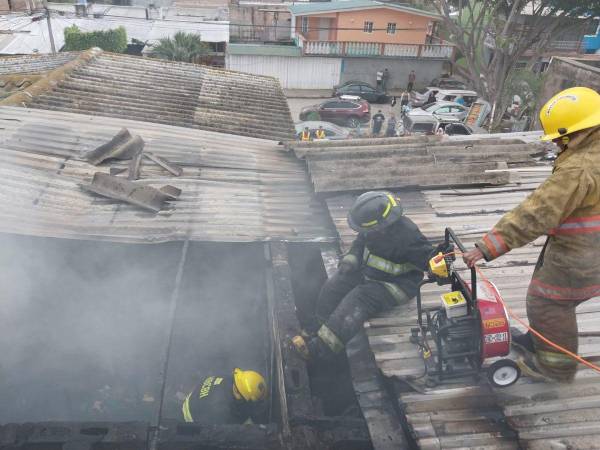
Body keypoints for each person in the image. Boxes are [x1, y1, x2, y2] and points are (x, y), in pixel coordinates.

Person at [462, 87, 600, 383]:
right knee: (564, 302)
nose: (559, 145)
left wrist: (487, 246)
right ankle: (540, 338)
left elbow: (536, 213)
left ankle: (555, 368)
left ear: (575, 132)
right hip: (591, 251)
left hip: (583, 254)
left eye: (560, 139)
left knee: (548, 302)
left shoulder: (578, 169)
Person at [291, 191, 433, 361]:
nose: (364, 232)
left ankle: (319, 349)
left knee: (357, 301)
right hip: (368, 273)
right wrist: (351, 260)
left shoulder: (408, 236)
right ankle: (315, 328)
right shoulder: (372, 230)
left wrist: (439, 261)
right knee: (333, 286)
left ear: (380, 225)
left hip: (395, 285)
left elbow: (430, 259)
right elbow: (359, 243)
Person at [182, 368, 267, 424]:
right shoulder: (222, 411)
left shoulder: (230, 378)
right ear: (239, 395)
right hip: (191, 419)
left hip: (195, 398)